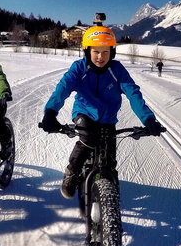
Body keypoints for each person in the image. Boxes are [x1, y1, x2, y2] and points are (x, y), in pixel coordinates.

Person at [40, 25, 164, 199]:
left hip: (108, 119)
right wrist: (51, 112)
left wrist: (148, 119)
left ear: (111, 52)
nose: (100, 57)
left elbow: (133, 94)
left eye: (105, 52)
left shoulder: (117, 70)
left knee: (109, 161)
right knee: (88, 138)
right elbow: (63, 89)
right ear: (87, 50)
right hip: (84, 113)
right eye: (96, 51)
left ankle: (109, 190)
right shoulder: (79, 68)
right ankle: (72, 172)